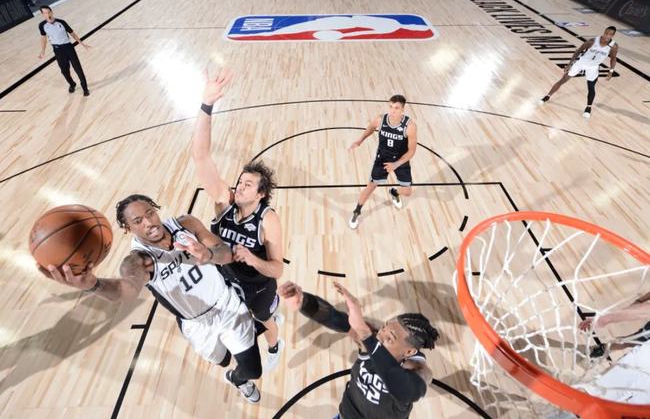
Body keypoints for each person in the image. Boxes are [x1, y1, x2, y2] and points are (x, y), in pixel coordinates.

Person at [36, 194, 263, 403]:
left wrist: (209, 254)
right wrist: (93, 285)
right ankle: (241, 345)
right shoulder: (138, 260)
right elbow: (127, 290)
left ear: (155, 210)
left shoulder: (186, 225)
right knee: (222, 360)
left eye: (150, 214)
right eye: (138, 221)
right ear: (128, 228)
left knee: (253, 370)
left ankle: (237, 379)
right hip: (196, 324)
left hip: (227, 305)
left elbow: (226, 254)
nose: (149, 223)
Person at [191, 68, 286, 372]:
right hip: (225, 280)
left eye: (248, 184)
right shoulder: (224, 203)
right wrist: (206, 104)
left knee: (264, 320)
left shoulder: (268, 220)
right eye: (240, 181)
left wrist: (253, 260)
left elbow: (277, 268)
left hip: (258, 286)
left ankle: (276, 345)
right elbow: (201, 157)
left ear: (261, 194)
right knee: (233, 323)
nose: (240, 186)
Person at [277, 281, 438, 419]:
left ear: (408, 352)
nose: (380, 336)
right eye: (384, 328)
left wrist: (366, 336)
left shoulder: (419, 370)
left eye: (390, 338)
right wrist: (304, 301)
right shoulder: (370, 339)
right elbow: (334, 317)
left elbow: (405, 389)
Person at [349, 95, 418, 229]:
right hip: (383, 158)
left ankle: (394, 192)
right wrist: (359, 141)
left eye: (396, 108)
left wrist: (396, 164)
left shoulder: (410, 126)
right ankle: (356, 212)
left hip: (400, 159)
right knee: (370, 187)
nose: (392, 111)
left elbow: (411, 151)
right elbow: (370, 128)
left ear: (402, 110)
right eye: (390, 107)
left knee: (408, 192)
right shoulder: (380, 119)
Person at [538, 26, 618, 119]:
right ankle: (547, 97)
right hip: (581, 63)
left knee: (591, 88)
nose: (607, 35)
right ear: (604, 32)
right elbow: (578, 51)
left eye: (610, 34)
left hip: (593, 67)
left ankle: (588, 108)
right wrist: (570, 64)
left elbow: (613, 57)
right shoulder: (592, 41)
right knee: (563, 80)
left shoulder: (613, 46)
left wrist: (611, 71)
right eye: (606, 33)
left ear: (613, 35)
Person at [38, 6, 91, 96]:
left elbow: (72, 33)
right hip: (58, 50)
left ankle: (85, 89)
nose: (48, 14)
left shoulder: (61, 22)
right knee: (64, 71)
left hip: (68, 48)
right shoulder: (42, 25)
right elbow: (43, 38)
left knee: (78, 69)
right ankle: (72, 84)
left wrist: (81, 43)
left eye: (49, 12)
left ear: (52, 12)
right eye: (45, 13)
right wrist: (43, 51)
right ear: (43, 14)